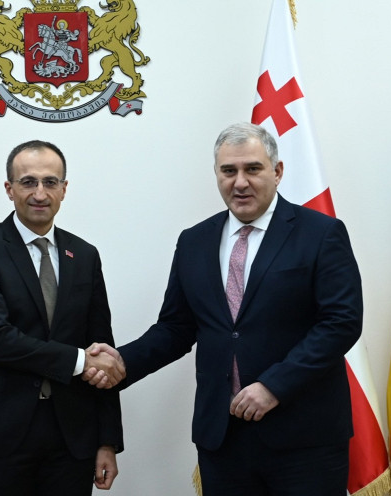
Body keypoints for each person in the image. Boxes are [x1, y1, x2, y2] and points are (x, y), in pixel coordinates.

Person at [86, 122, 363, 495]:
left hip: (304, 439)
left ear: (278, 171)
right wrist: (121, 362)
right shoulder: (194, 241)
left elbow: (341, 322)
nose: (240, 182)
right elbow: (176, 328)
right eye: (228, 171)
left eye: (253, 169)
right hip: (222, 438)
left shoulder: (321, 233)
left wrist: (274, 386)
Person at [0, 140, 124, 496]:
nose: (40, 193)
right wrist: (79, 361)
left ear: (64, 189)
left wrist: (107, 440)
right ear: (9, 189)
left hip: (72, 438)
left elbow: (102, 347)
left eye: (50, 182)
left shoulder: (85, 255)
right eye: (28, 182)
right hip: (0, 434)